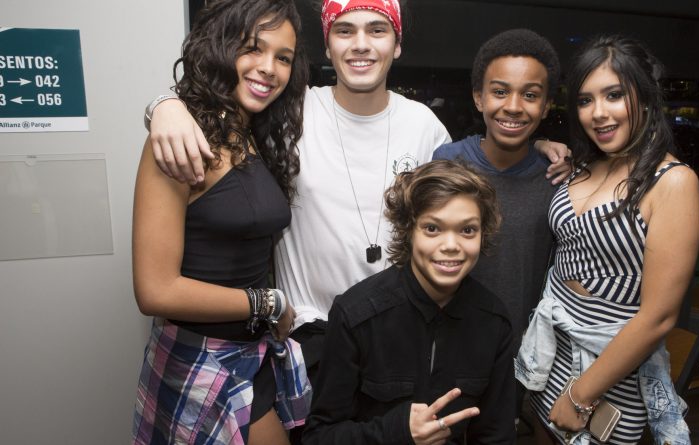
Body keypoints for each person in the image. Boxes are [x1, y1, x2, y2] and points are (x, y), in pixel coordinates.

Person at [143, 0, 571, 388]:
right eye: (345, 30)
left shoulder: (424, 126)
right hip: (306, 337)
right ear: (328, 47)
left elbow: (475, 175)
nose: (361, 44)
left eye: (377, 30)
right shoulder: (290, 111)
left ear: (397, 45)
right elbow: (226, 109)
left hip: (399, 338)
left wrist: (538, 146)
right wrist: (164, 106)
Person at [131, 1, 311, 443]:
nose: (268, 68)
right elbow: (155, 290)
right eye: (253, 48)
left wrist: (162, 103)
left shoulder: (253, 133)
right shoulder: (184, 141)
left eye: (283, 57)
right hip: (202, 361)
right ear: (221, 46)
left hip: (251, 354)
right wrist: (269, 302)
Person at [515, 35, 699, 445]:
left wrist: (581, 395)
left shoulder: (672, 182)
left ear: (645, 99)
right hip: (553, 350)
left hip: (611, 372)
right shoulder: (584, 166)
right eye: (585, 100)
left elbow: (659, 317)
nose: (598, 113)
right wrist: (541, 144)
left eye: (614, 95)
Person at [303, 160, 516, 444]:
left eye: (467, 230)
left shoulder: (492, 322)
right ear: (408, 230)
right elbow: (319, 437)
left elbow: (496, 437)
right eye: (432, 228)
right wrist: (398, 432)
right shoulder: (357, 315)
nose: (451, 245)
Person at [433, 28, 562, 351]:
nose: (514, 106)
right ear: (479, 98)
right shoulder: (448, 162)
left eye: (530, 95)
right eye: (500, 92)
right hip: (449, 343)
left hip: (524, 349)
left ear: (546, 106)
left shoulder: (556, 176)